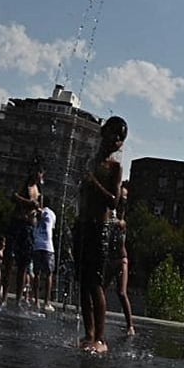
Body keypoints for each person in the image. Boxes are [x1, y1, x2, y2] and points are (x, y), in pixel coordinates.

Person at [77, 117, 127, 353]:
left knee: (95, 283)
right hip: (84, 225)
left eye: (121, 138)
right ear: (104, 133)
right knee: (83, 282)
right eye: (114, 133)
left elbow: (113, 200)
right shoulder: (88, 161)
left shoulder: (115, 168)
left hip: (100, 228)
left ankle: (100, 338)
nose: (116, 140)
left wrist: (93, 183)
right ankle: (88, 334)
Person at [9, 164, 43, 308]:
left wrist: (39, 212)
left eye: (41, 173)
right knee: (10, 260)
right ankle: (5, 297)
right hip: (19, 223)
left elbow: (39, 208)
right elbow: (14, 196)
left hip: (30, 227)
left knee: (24, 265)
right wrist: (29, 203)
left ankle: (18, 299)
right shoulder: (25, 184)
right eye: (38, 172)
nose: (39, 175)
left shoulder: (39, 189)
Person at [109, 183, 135, 336]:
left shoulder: (121, 221)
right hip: (110, 259)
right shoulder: (112, 214)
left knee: (121, 292)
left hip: (121, 260)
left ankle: (130, 326)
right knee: (100, 290)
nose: (122, 201)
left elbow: (119, 223)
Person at [31, 204, 57, 311]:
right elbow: (52, 227)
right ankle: (46, 302)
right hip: (47, 247)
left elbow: (33, 224)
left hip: (37, 245)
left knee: (37, 273)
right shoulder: (51, 214)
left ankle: (36, 301)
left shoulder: (35, 213)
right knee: (48, 274)